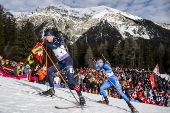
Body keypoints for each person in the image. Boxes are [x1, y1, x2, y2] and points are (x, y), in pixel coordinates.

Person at [38, 29, 85, 105]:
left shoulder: (56, 40)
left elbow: (55, 46)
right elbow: (43, 41)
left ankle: (81, 97)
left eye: (47, 37)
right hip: (61, 62)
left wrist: (44, 43)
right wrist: (41, 40)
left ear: (51, 36)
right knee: (49, 71)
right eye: (45, 37)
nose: (46, 38)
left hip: (67, 61)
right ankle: (51, 90)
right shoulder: (50, 41)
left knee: (70, 79)